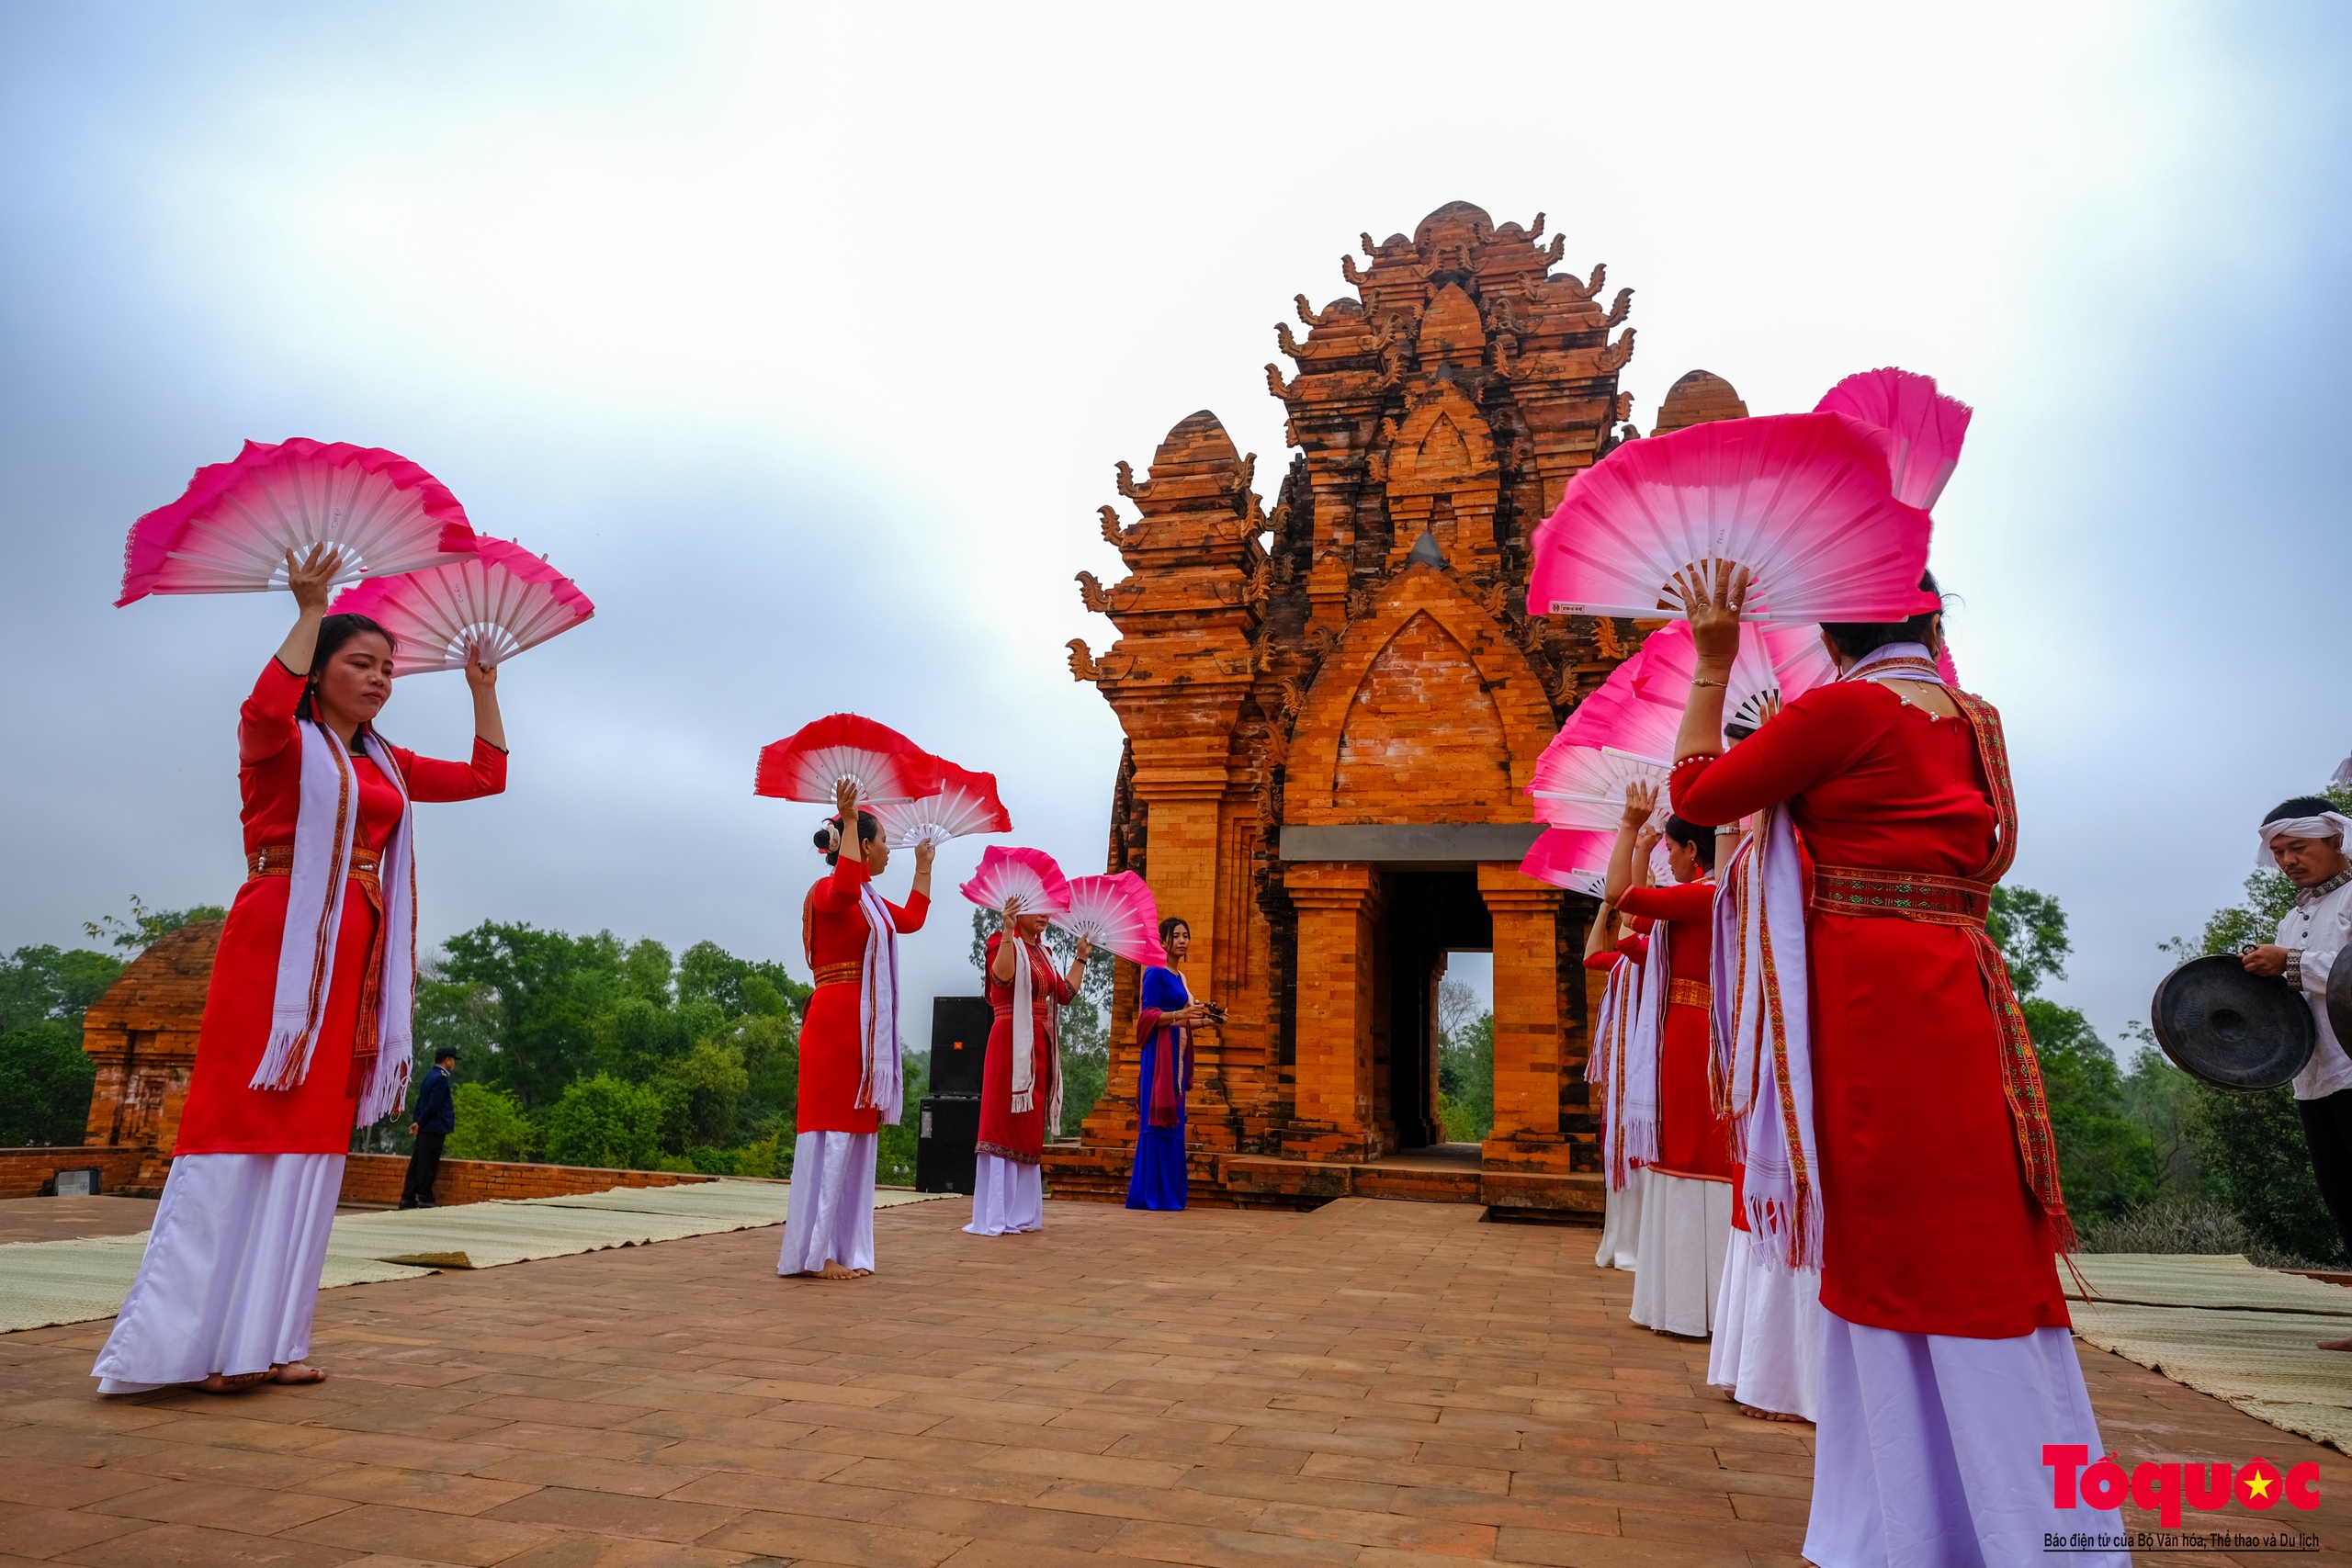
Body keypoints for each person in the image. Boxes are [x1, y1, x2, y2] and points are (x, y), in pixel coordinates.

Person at [1665, 561, 2122, 1566]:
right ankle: (1992, 1518)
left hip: (1872, 996)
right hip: (1954, 979)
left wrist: (1710, 660)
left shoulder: (1844, 711)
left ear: (1831, 632)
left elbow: (1698, 797)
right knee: (1971, 1223)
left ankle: (1920, 1530)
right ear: (1927, 615)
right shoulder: (1972, 716)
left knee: (1896, 1232)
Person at [93, 545, 508, 1395]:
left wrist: (481, 684)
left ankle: (271, 1341)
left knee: (311, 1151)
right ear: (316, 674)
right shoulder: (280, 746)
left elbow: (484, 777)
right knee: (243, 1135)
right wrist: (311, 608)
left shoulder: (383, 765)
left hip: (353, 964)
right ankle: (196, 1346)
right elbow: (258, 708)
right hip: (275, 947)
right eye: (361, 663)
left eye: (389, 668)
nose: (380, 678)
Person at [781, 778, 932, 1280]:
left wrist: (924, 866)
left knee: (858, 1137)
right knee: (830, 1134)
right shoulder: (829, 892)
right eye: (884, 840)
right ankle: (814, 1251)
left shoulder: (870, 903)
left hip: (865, 1032)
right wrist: (847, 818)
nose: (891, 846)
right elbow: (844, 886)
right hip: (834, 1026)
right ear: (862, 845)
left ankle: (847, 1248)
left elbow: (910, 920)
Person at [1605, 790, 1732, 1337]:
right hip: (1691, 1033)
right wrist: (1646, 844)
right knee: (1687, 1149)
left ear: (1693, 852)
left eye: (1673, 852)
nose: (1669, 863)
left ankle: (1689, 1304)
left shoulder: (1704, 899)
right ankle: (1692, 1302)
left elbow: (1620, 898)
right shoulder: (1712, 899)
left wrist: (1630, 827)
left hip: (1692, 1037)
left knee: (1690, 1152)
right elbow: (1637, 919)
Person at [2243, 794, 2352, 1348]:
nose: (2287, 859)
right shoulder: (2293, 915)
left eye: (2299, 847)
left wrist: (2287, 962)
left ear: (2337, 841)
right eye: (2278, 850)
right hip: (2314, 1071)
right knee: (2342, 1195)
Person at [967, 900, 1088, 1235]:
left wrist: (1080, 956)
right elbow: (1001, 981)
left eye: (1047, 909)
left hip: (1040, 1043)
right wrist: (1007, 931)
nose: (1044, 915)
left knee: (1029, 1125)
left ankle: (1021, 1214)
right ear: (1015, 911)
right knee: (1003, 1120)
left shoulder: (1045, 953)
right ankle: (996, 1214)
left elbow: (1062, 993)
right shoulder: (999, 942)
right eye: (1036, 907)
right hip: (1010, 1038)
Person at [1586, 882, 1652, 1272]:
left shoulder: (1653, 954)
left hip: (1640, 1064)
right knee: (1614, 1141)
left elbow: (1628, 941)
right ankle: (1617, 1239)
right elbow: (1592, 955)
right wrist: (1603, 909)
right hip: (1618, 1067)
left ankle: (1634, 1240)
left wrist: (1630, 901)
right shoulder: (1625, 962)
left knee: (1635, 1146)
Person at [1128, 916, 1206, 1211]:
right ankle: (1150, 1194)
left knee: (1175, 1118)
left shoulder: (1180, 978)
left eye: (1186, 935)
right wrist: (1179, 1015)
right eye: (1177, 935)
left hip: (1178, 1052)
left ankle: (1170, 1193)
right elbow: (1146, 1017)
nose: (1183, 940)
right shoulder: (1155, 973)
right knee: (1157, 1118)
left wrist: (1210, 1020)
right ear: (1163, 941)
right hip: (1158, 1053)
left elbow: (1185, 1023)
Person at [401, 1046, 459, 1209]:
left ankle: (408, 1196)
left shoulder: (430, 1076)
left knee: (417, 1162)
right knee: (428, 1163)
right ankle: (425, 1197)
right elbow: (434, 1105)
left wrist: (418, 1121)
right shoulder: (441, 1078)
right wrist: (420, 1123)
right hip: (434, 1127)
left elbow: (421, 1102)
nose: (454, 1064)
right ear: (447, 1060)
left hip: (425, 1125)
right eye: (453, 1060)